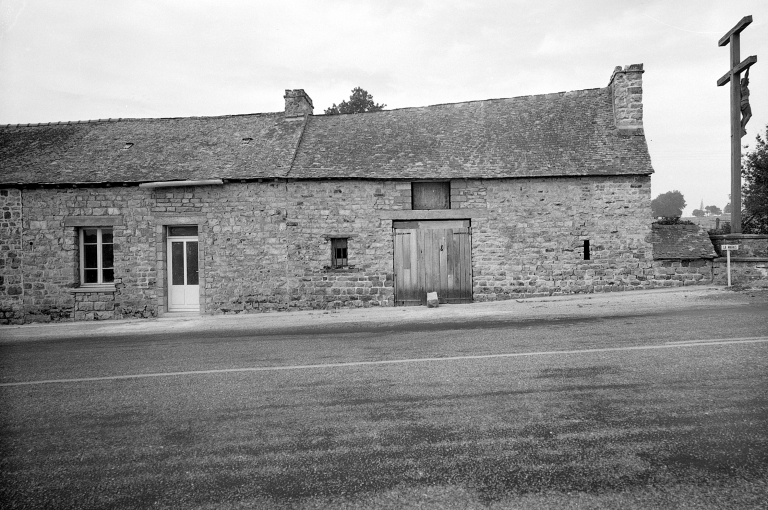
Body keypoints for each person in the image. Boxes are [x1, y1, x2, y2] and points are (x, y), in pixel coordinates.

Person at [741, 68, 752, 137]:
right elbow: (746, 76)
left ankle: (741, 126)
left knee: (745, 116)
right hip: (745, 102)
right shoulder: (743, 86)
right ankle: (743, 126)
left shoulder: (743, 87)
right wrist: (748, 68)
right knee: (749, 114)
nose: (748, 81)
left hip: (742, 103)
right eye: (747, 81)